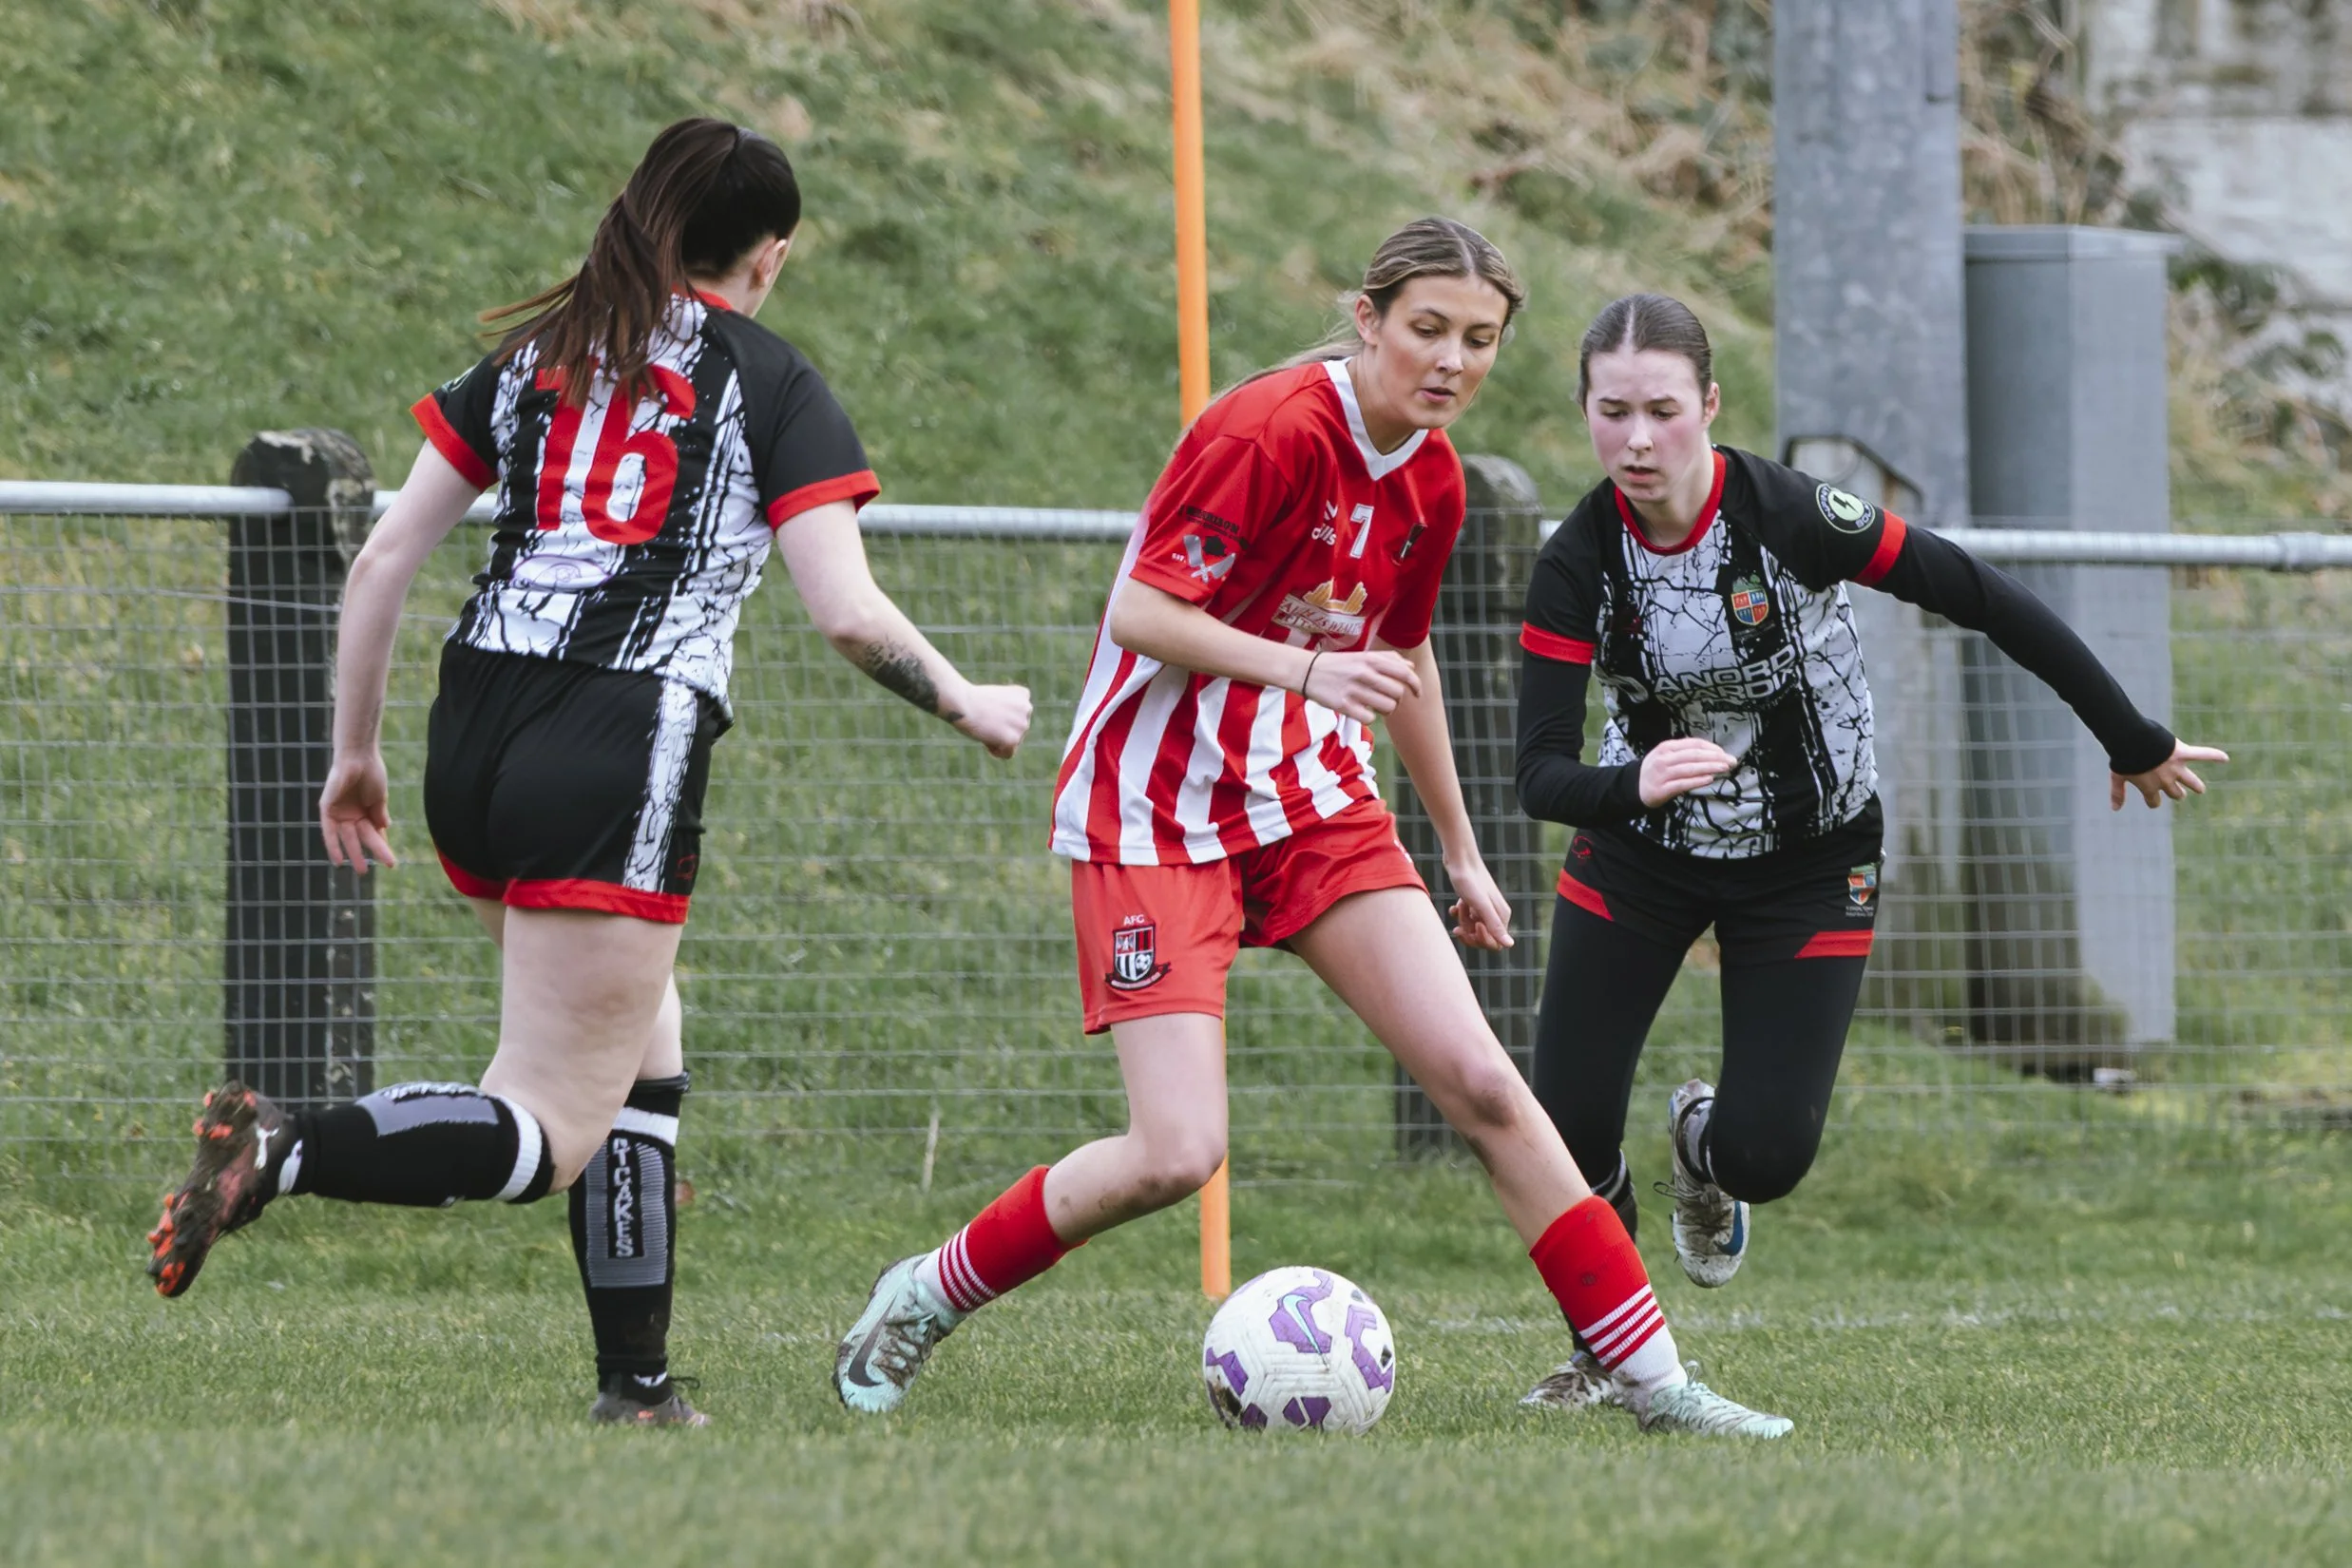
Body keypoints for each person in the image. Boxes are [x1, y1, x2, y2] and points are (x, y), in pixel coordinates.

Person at [831, 221, 1791, 1439]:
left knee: (1487, 1086)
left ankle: (1658, 1389)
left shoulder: (1434, 478)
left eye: (1480, 339)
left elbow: (1405, 660)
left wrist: (1458, 849)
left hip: (1313, 804)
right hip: (1155, 812)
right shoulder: (1270, 430)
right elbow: (1142, 611)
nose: (1451, 360)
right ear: (1368, 319)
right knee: (1176, 1152)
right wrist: (1303, 668)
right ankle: (926, 1292)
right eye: (1428, 329)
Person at [143, 118, 1033, 1427]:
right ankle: (287, 1149)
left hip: (475, 726)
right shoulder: (769, 380)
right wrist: (968, 699)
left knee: (640, 1056)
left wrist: (354, 757)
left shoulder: (534, 356)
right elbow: (847, 613)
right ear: (771, 256)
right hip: (618, 741)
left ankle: (639, 1388)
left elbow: (382, 561)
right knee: (553, 1123)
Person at [1514, 292, 2226, 1408]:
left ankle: (1703, 1151)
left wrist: (2129, 736)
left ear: (1710, 404)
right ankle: (1608, 1354)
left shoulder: (1794, 517)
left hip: (1811, 857)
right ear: (1585, 412)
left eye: (1662, 410)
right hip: (1642, 850)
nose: (1638, 440)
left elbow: (1980, 596)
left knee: (1767, 1158)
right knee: (1562, 1131)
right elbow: (1540, 772)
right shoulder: (1576, 563)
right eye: (1614, 413)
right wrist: (1629, 785)